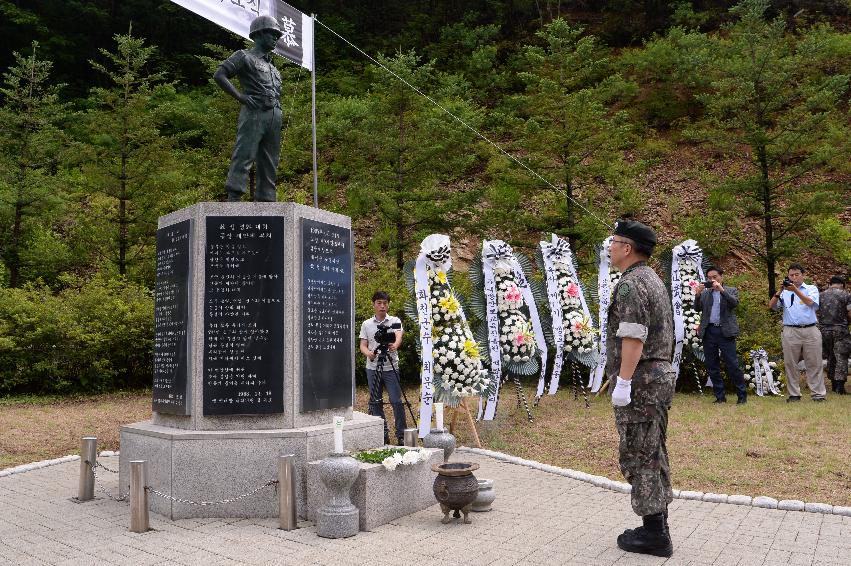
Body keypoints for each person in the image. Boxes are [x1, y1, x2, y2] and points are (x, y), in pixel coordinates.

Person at [607, 220, 675, 558]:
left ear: (628, 248)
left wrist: (623, 381)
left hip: (642, 381)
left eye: (614, 240)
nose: (609, 246)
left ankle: (654, 535)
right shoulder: (651, 278)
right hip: (655, 378)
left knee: (639, 452)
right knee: (652, 448)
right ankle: (657, 523)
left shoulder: (632, 285)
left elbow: (633, 336)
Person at [214, 15, 284, 202]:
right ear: (259, 34)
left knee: (270, 160)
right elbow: (220, 74)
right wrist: (240, 96)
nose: (276, 38)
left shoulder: (274, 69)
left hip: (275, 114)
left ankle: (267, 200)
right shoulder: (244, 56)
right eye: (272, 33)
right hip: (255, 112)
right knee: (245, 153)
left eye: (277, 35)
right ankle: (234, 196)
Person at [768, 263, 826, 402]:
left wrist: (795, 290)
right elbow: (772, 306)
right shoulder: (784, 292)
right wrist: (779, 291)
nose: (794, 277)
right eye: (791, 275)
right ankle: (794, 394)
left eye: (797, 275)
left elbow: (810, 303)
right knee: (790, 363)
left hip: (810, 329)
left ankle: (818, 394)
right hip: (790, 330)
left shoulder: (811, 288)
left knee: (814, 363)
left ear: (803, 275)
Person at [359, 291, 406, 445]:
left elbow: (399, 334)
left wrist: (395, 345)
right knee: (376, 401)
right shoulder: (367, 324)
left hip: (391, 366)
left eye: (385, 303)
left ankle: (401, 435)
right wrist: (369, 354)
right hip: (373, 367)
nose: (382, 306)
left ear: (388, 304)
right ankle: (382, 434)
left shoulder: (394, 320)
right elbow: (363, 345)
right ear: (374, 304)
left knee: (396, 401)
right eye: (379, 303)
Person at [694, 266, 747, 404]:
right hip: (709, 331)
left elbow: (734, 303)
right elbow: (697, 308)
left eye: (715, 277)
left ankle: (742, 396)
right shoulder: (706, 293)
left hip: (725, 332)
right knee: (712, 365)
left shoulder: (730, 290)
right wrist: (698, 294)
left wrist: (721, 290)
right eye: (709, 278)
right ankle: (720, 396)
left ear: (721, 277)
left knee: (732, 364)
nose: (712, 280)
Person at [818, 276, 851, 395]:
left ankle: (832, 384)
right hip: (840, 329)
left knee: (831, 356)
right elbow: (850, 312)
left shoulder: (820, 295)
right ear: (842, 285)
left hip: (823, 330)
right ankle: (839, 387)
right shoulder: (846, 295)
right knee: (841, 356)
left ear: (830, 284)